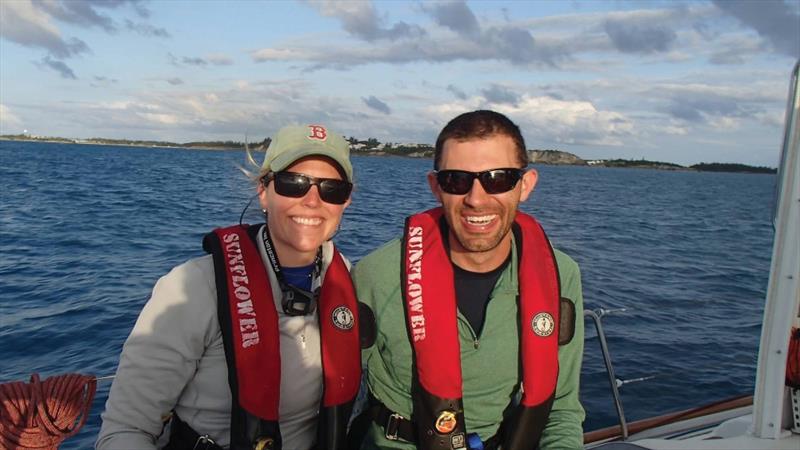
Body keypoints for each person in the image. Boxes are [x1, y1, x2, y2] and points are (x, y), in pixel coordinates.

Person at [97, 124, 362, 450]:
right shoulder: (194, 287)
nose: (312, 201)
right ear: (264, 190)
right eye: (292, 183)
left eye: (331, 189)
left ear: (346, 201)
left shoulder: (350, 282)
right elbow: (124, 431)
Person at [351, 110, 585, 449]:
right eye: (457, 180)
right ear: (436, 187)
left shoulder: (561, 276)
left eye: (499, 178)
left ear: (526, 185)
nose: (476, 199)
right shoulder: (376, 276)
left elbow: (561, 408)